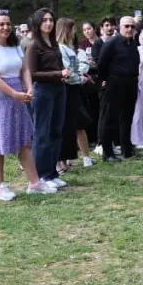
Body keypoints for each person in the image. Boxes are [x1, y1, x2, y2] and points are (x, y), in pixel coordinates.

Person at [0, 11, 52, 200]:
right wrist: (14, 94)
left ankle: (34, 183)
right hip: (0, 99)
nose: (5, 27)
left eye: (8, 24)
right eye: (1, 24)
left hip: (19, 97)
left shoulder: (15, 46)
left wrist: (28, 88)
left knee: (24, 142)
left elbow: (25, 68)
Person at [23, 8, 66, 187]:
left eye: (51, 20)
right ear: (38, 24)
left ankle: (51, 172)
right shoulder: (33, 46)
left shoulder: (54, 43)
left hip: (59, 89)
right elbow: (32, 73)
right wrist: (58, 73)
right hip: (43, 91)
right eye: (44, 20)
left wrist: (63, 74)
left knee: (56, 132)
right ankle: (40, 176)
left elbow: (59, 64)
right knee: (43, 134)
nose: (48, 23)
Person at [51, 18, 95, 171]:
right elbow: (67, 71)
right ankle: (59, 161)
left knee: (71, 126)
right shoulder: (61, 48)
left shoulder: (69, 48)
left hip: (74, 89)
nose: (75, 32)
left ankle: (65, 159)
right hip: (68, 89)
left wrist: (81, 76)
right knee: (64, 126)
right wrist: (79, 78)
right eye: (73, 29)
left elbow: (75, 69)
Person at [97, 16, 141, 161]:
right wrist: (104, 81)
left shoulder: (133, 44)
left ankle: (126, 149)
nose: (129, 29)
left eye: (132, 26)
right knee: (109, 118)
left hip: (131, 84)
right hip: (114, 84)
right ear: (119, 27)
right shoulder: (111, 43)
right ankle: (107, 153)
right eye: (126, 26)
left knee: (127, 118)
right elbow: (101, 64)